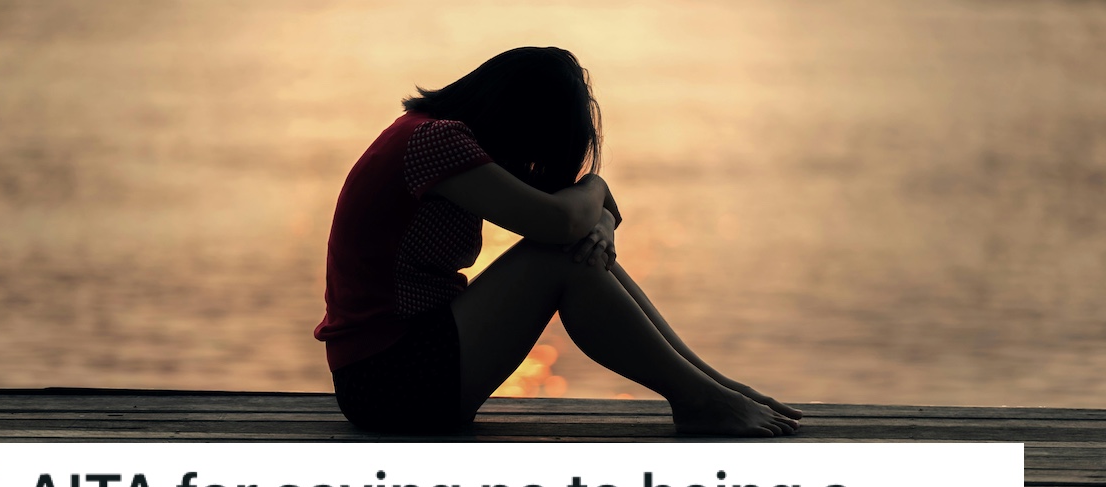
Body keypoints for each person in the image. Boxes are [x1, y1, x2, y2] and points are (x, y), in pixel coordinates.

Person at [314, 46, 803, 436]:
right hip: (388, 382)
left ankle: (713, 388)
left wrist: (600, 219)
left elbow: (573, 218)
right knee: (558, 257)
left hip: (398, 372)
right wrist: (596, 187)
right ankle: (700, 399)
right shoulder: (436, 142)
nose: (531, 162)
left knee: (570, 252)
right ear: (518, 116)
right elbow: (561, 221)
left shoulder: (431, 137)